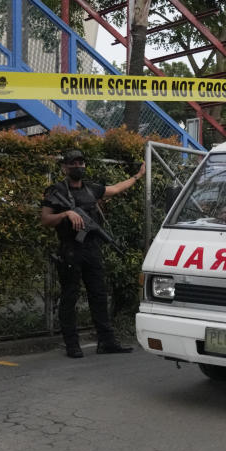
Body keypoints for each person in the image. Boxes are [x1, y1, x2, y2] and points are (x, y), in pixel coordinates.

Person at [40, 149, 143, 358]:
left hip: (92, 250)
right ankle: (72, 344)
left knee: (98, 295)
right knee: (70, 296)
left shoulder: (91, 190)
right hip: (70, 250)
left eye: (81, 162)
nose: (78, 166)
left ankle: (106, 341)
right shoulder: (55, 191)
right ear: (64, 167)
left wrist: (138, 176)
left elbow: (115, 189)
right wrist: (66, 214)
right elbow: (45, 220)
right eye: (73, 163)